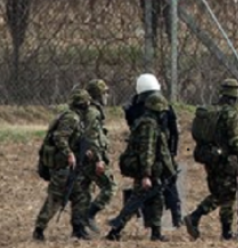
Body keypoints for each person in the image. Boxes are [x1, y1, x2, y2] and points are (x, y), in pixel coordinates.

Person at [106, 92, 177, 242]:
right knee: (136, 200)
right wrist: (146, 174)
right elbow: (147, 150)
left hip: (152, 169)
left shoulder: (147, 122)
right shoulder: (149, 125)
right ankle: (115, 229)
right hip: (147, 169)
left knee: (157, 199)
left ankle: (156, 233)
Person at [184, 78, 238, 241]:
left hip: (209, 156)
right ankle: (203, 220)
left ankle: (203, 221)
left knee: (219, 193)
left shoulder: (210, 112)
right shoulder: (231, 114)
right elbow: (236, 141)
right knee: (227, 195)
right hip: (226, 159)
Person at [123, 74, 183, 229]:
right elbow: (174, 132)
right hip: (161, 153)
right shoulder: (165, 107)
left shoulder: (132, 109)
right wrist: (172, 152)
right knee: (168, 184)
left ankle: (148, 221)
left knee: (144, 187)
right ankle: (176, 217)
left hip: (142, 154)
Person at [33, 89, 90, 241]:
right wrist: (69, 153)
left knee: (80, 195)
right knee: (56, 198)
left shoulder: (75, 117)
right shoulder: (71, 118)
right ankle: (39, 229)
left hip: (70, 166)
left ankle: (78, 229)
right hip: (63, 167)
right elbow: (60, 138)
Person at [83, 80, 116, 234]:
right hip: (91, 159)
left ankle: (79, 227)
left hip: (87, 158)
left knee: (85, 191)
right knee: (110, 187)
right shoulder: (92, 113)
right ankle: (89, 215)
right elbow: (90, 138)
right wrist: (98, 160)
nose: (106, 96)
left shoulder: (92, 111)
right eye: (104, 93)